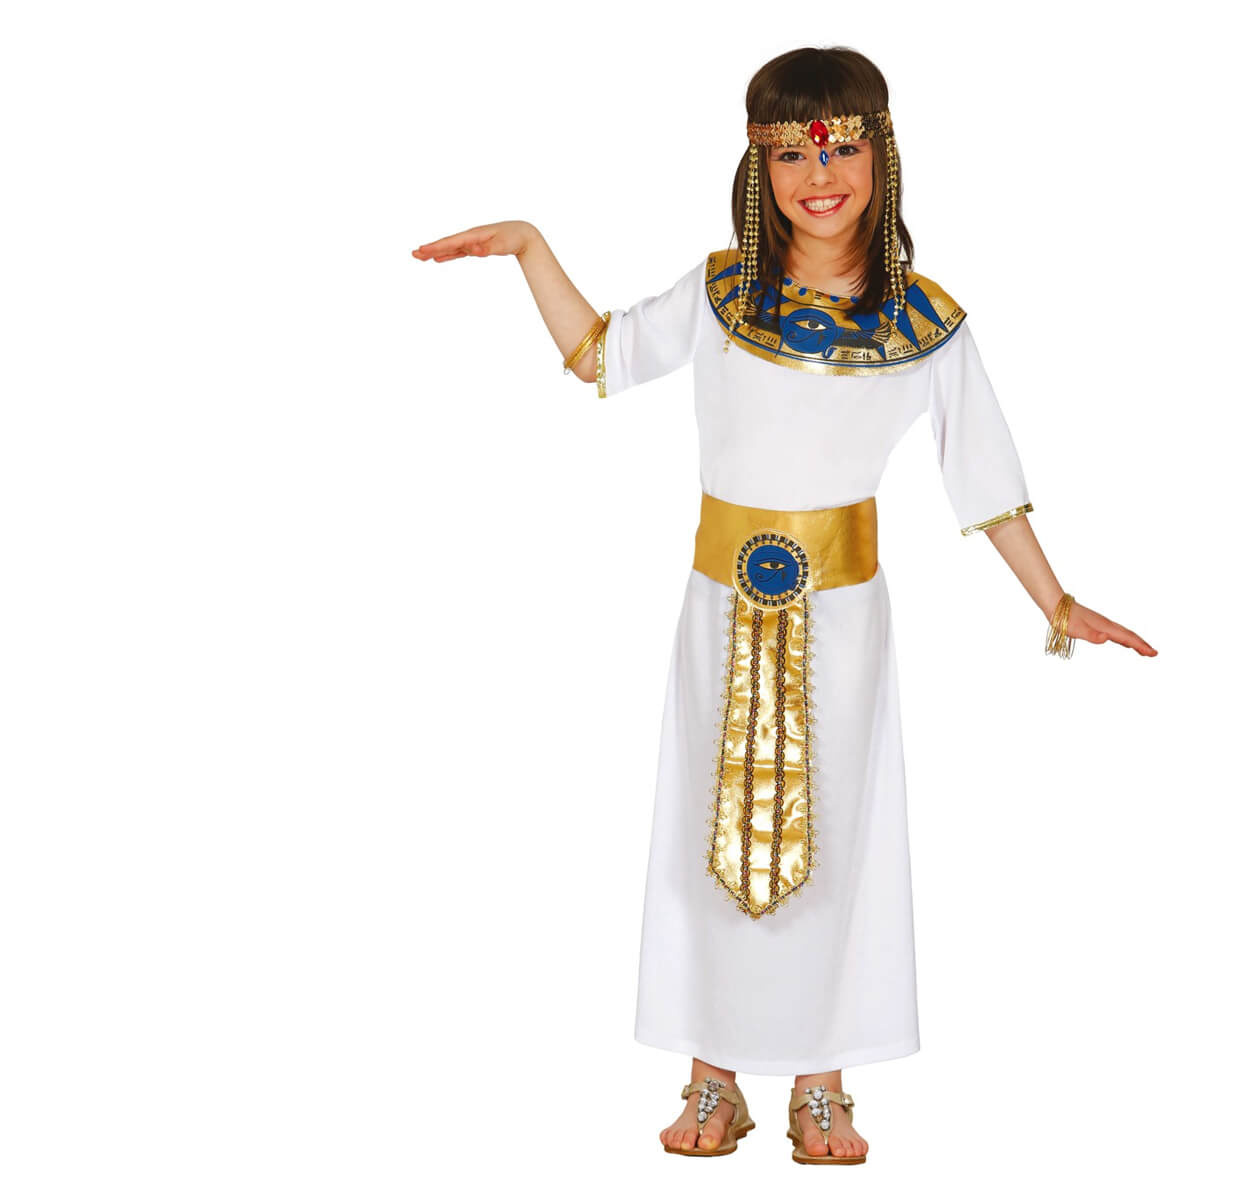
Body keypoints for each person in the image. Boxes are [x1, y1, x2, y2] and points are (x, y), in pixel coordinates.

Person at [413, 45, 1157, 1166]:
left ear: (881, 158)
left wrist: (1056, 601)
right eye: (794, 153)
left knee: (837, 837)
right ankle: (711, 1077)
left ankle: (822, 1086)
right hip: (718, 609)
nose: (821, 174)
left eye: (843, 148)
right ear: (758, 164)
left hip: (844, 621)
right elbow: (600, 356)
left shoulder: (923, 322)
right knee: (708, 829)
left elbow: (984, 478)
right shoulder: (724, 295)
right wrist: (529, 244)